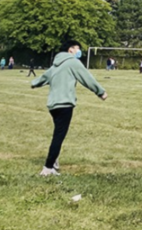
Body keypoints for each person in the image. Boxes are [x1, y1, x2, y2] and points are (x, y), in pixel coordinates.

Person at [31, 40, 107, 176]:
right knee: (59, 136)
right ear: (70, 49)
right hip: (64, 104)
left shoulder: (56, 64)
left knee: (57, 134)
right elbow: (86, 78)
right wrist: (100, 92)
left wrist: (34, 83)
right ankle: (47, 168)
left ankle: (53, 163)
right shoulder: (73, 62)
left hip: (53, 105)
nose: (79, 51)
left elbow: (44, 77)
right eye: (77, 48)